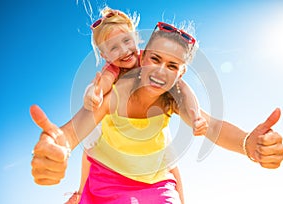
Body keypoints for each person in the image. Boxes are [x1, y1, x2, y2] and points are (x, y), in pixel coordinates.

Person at [30, 21, 283, 203]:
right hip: (107, 181)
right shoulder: (117, 92)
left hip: (156, 184)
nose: (161, 71)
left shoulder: (172, 99)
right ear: (142, 58)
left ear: (180, 73)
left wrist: (247, 143)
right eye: (155, 60)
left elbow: (212, 126)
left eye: (172, 65)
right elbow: (75, 130)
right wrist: (59, 145)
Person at [66, 7, 205, 204]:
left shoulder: (148, 58)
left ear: (137, 38)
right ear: (105, 55)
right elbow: (104, 81)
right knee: (91, 147)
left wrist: (196, 114)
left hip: (152, 125)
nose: (123, 51)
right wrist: (92, 92)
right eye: (113, 48)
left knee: (169, 160)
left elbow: (183, 86)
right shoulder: (113, 68)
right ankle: (81, 193)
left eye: (126, 41)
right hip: (116, 125)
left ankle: (181, 200)